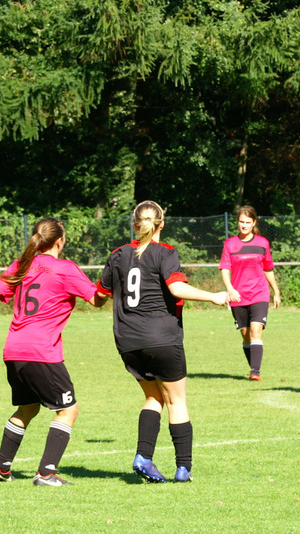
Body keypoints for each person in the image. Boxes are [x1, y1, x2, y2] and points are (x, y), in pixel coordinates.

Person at [0, 218, 104, 486]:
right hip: (41, 352)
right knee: (68, 410)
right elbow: (96, 300)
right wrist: (109, 284)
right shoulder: (65, 268)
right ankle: (46, 473)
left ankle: (1, 468)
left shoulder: (22, 265)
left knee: (28, 408)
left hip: (14, 350)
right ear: (60, 241)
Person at [95, 200, 229, 483]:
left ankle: (144, 457)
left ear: (135, 224)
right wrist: (214, 296)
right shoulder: (164, 252)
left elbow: (99, 297)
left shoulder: (118, 254)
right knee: (176, 400)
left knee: (154, 397)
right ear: (162, 224)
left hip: (128, 341)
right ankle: (183, 469)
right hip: (161, 337)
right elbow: (176, 287)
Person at [220, 205, 282, 380]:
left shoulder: (263, 243)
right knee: (246, 336)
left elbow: (268, 269)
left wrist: (276, 291)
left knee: (256, 330)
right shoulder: (230, 244)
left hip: (259, 294)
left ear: (254, 222)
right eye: (241, 222)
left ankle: (255, 371)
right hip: (238, 296)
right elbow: (225, 269)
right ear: (237, 222)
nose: (244, 225)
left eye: (248, 222)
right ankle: (253, 366)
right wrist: (230, 289)